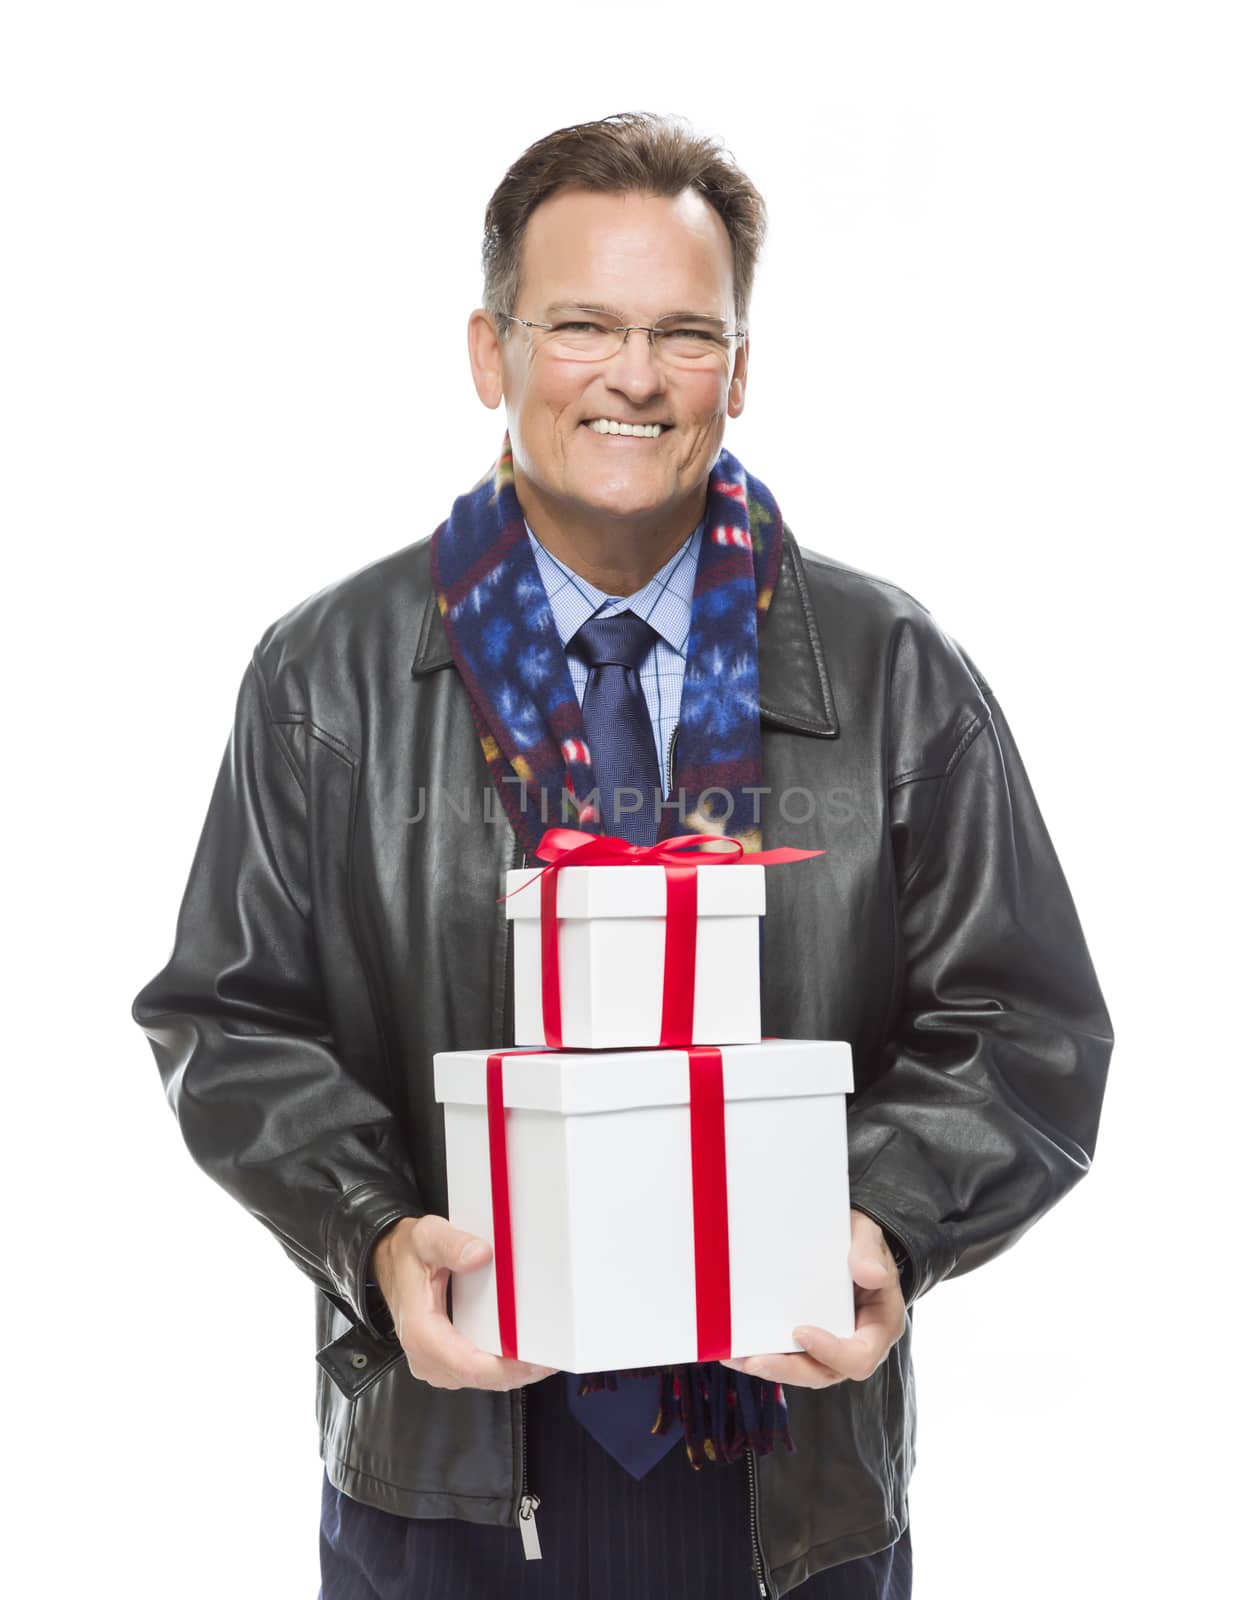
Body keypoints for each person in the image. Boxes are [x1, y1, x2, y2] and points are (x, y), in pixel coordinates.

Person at [131, 111, 1113, 1598]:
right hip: (449, 1455)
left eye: (685, 332)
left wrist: (876, 1229)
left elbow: (1027, 1025)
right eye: (581, 325)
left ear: (740, 363)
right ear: (490, 350)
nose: (636, 377)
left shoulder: (892, 667)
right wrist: (380, 1241)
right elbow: (231, 1021)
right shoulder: (325, 677)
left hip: (786, 1462)